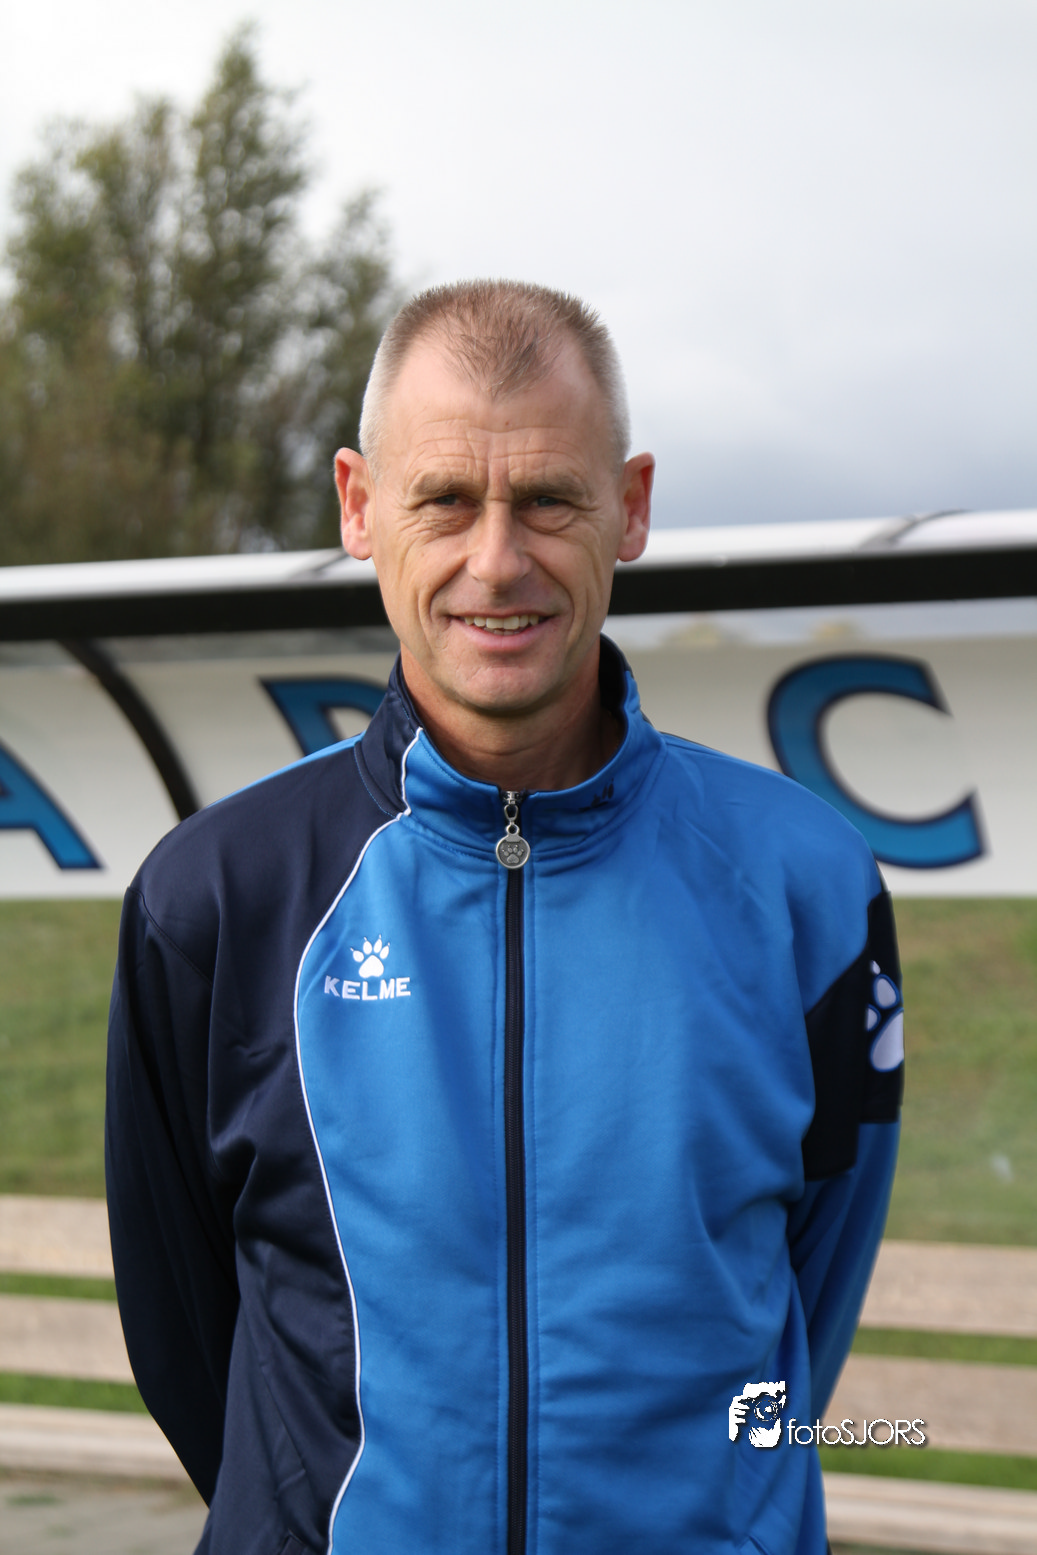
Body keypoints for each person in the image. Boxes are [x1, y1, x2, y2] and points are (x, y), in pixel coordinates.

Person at [106, 280, 904, 1555]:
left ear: (629, 506)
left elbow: (807, 1296)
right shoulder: (214, 896)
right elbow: (190, 1337)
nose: (495, 560)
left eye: (546, 500)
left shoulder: (806, 885)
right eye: (443, 500)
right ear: (359, 506)